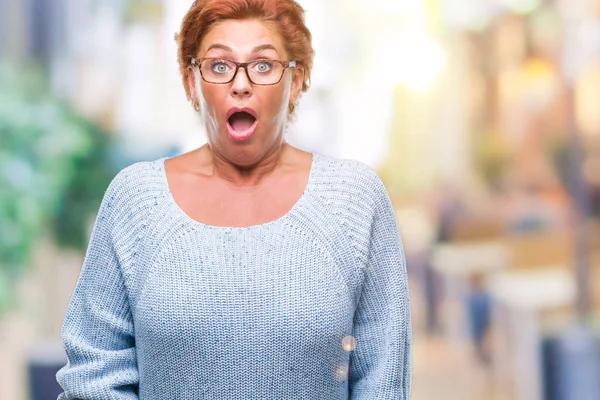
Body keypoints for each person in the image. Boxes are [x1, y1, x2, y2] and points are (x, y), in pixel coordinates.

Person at [55, 0, 412, 398]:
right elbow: (94, 374)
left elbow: (383, 381)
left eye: (263, 65)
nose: (241, 83)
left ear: (296, 81)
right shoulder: (136, 201)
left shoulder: (354, 200)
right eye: (220, 65)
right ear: (193, 81)